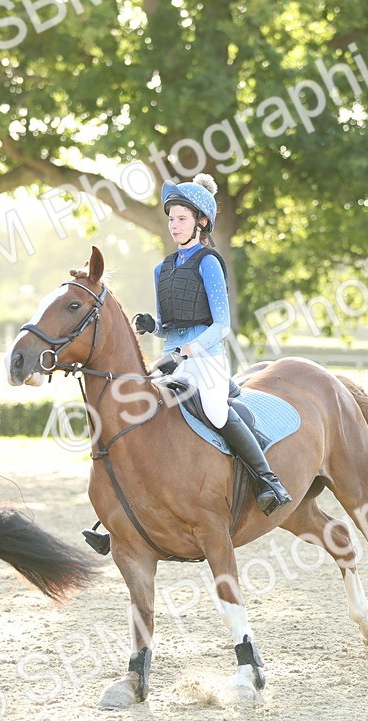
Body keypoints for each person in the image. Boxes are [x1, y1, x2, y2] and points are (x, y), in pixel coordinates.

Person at [133, 173, 291, 515]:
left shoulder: (208, 263)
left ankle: (268, 481)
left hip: (206, 360)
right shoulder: (162, 269)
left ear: (201, 223)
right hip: (170, 359)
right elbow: (169, 326)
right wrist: (153, 326)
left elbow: (222, 326)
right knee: (140, 412)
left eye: (182, 219)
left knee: (216, 412)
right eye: (172, 219)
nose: (174, 226)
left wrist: (186, 351)